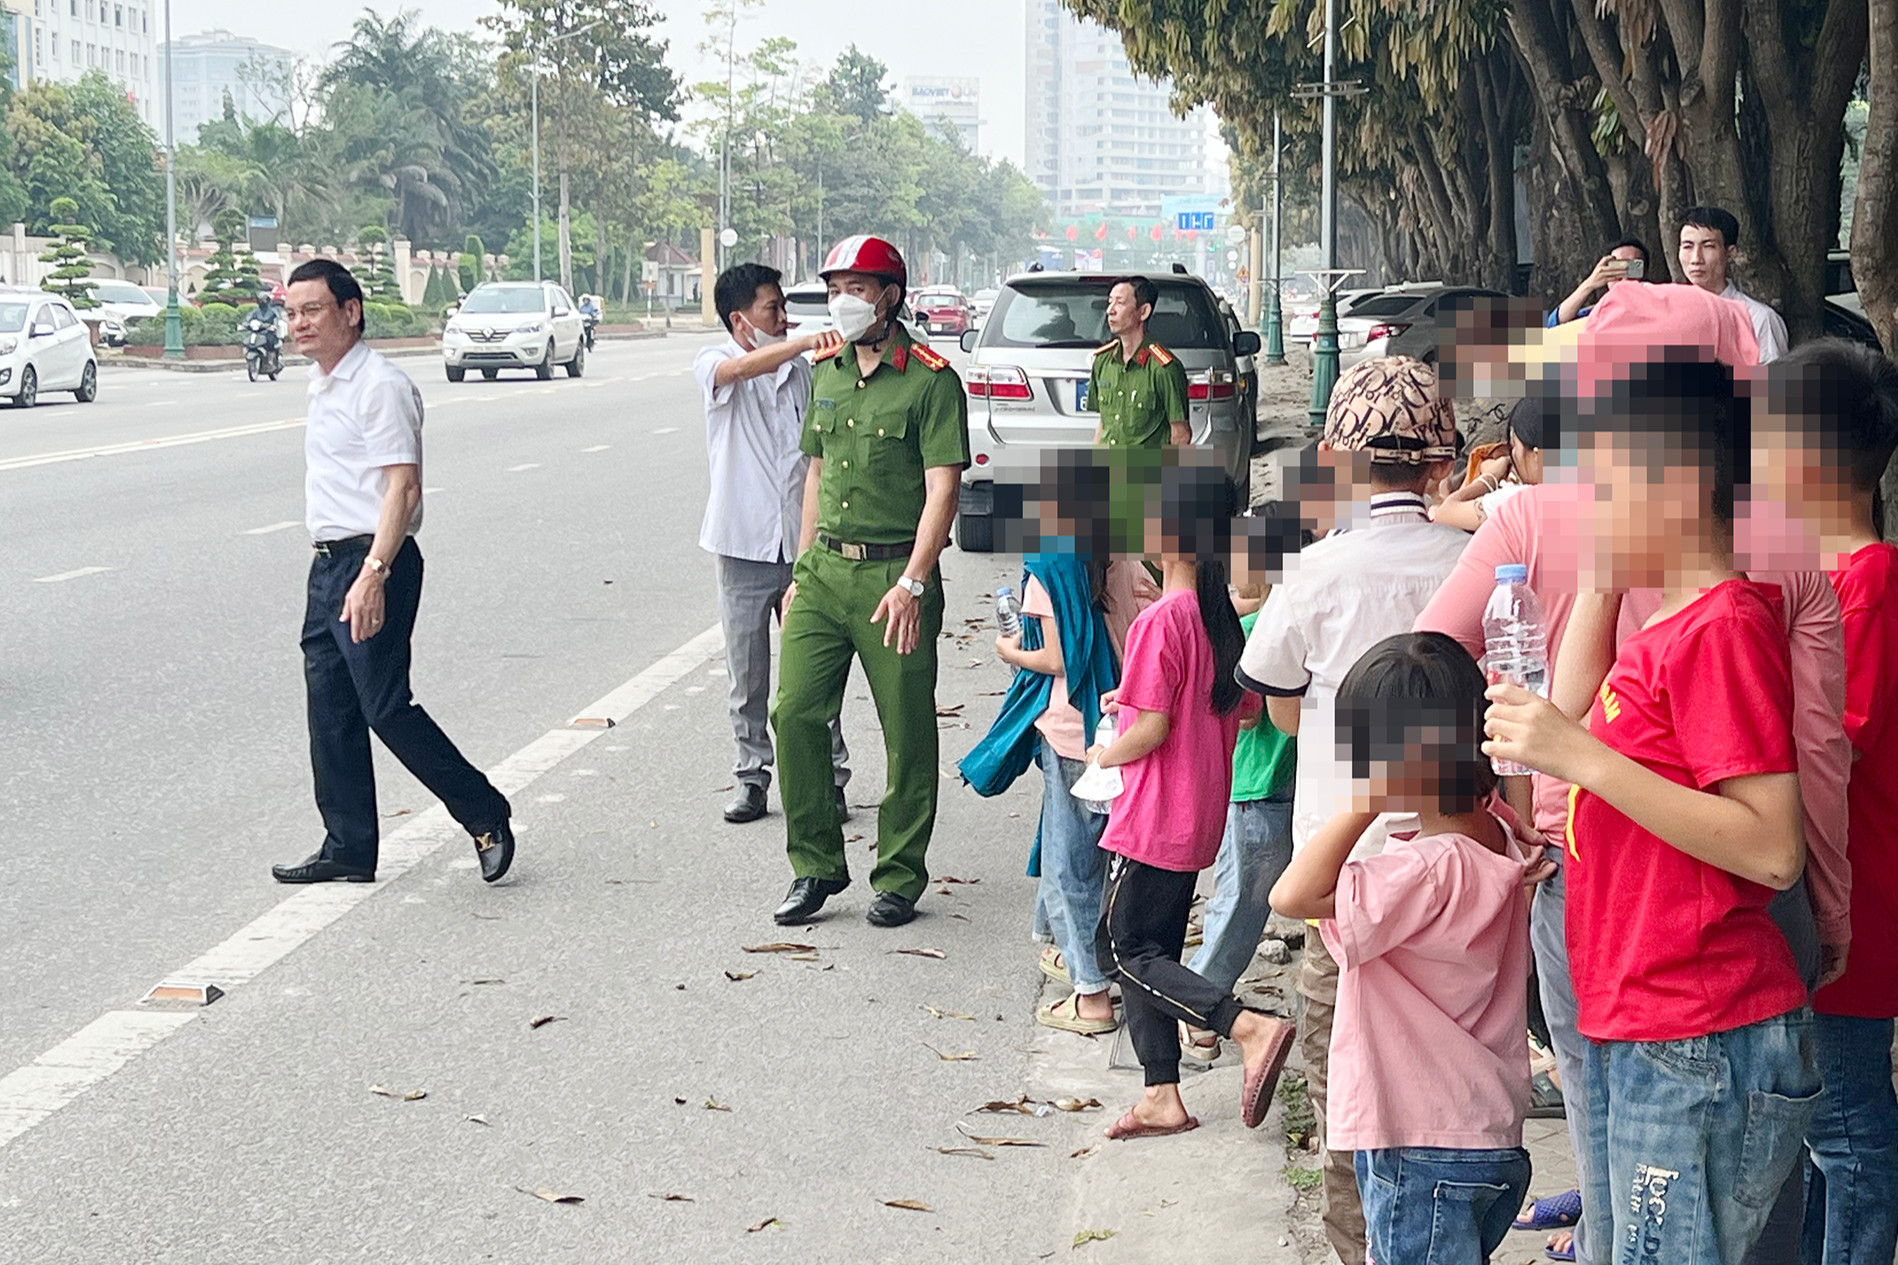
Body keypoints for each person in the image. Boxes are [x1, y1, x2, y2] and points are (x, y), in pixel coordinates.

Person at [1484, 353, 1820, 1265]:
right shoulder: (1666, 623)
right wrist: (1600, 577)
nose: (1583, 504)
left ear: (1674, 482)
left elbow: (1771, 846)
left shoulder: (1721, 630)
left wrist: (1578, 755)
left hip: (1696, 1029)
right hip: (1645, 1015)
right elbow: (1571, 698)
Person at [1236, 355, 1470, 1265]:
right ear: (1438, 463)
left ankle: (1363, 1246)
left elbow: (1282, 706)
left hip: (1344, 872)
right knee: (1451, 1079)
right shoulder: (1470, 560)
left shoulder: (1315, 572)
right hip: (1461, 864)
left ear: (1338, 456)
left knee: (1349, 1095)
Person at [1272, 632, 1550, 1265]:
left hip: (1420, 1138)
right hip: (1481, 1128)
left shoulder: (1423, 872)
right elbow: (1499, 811)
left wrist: (1365, 801)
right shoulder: (1497, 836)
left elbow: (1291, 896)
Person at [270, 258, 515, 886]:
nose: (298, 323)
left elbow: (402, 489)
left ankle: (484, 812)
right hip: (330, 564)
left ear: (351, 311)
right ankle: (348, 845)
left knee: (384, 706)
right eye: (291, 312)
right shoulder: (325, 383)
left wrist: (374, 571)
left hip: (371, 561)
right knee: (330, 707)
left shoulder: (379, 385)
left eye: (313, 310)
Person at [1087, 459, 1294, 1140]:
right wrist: (1135, 701)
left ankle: (1245, 1025)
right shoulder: (1219, 621)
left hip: (1152, 815)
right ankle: (1161, 1091)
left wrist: (1104, 748)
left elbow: (1153, 728)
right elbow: (1236, 707)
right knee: (1155, 948)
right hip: (1200, 814)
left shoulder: (1160, 620)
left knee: (1121, 951)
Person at [768, 235, 969, 929]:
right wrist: (801, 571)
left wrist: (914, 582)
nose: (842, 302)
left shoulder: (931, 379)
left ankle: (899, 874)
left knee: (906, 731)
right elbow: (815, 478)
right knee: (793, 713)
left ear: (890, 296)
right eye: (835, 289)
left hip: (895, 573)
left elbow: (944, 490)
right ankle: (816, 863)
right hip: (826, 571)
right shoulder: (824, 372)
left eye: (857, 288)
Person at [1754, 339, 1898, 1265]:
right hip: (1829, 898)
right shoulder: (1828, 577)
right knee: (1821, 1138)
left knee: (1849, 1138)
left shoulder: (1867, 580)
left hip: (1855, 909)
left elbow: (1832, 742)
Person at [694, 262, 851, 826]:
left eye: (785, 309)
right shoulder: (713, 362)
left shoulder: (803, 375)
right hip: (742, 544)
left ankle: (829, 778)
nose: (783, 319)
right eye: (772, 310)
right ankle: (751, 778)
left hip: (803, 545)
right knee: (749, 674)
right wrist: (803, 343)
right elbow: (738, 370)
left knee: (813, 671)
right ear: (740, 319)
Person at [1180, 595, 1295, 1062]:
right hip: (1258, 782)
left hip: (1275, 780)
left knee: (1239, 900)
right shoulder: (1252, 628)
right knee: (1240, 902)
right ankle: (1197, 1005)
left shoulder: (1261, 623)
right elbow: (1243, 711)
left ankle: (1198, 998)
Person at [1090, 276, 1191, 450]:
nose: (1110, 310)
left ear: (1143, 312)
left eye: (1120, 303)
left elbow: (1180, 434)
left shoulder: (1163, 368)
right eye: (1110, 302)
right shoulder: (1103, 362)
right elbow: (1103, 424)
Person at [1678, 205, 1789, 362]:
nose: (1696, 258)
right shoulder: (1670, 313)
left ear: (1730, 253)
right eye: (1688, 246)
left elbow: (1772, 383)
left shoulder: (1758, 319)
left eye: (1708, 246)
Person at [1430, 395, 1545, 533]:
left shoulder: (1518, 499)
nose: (1512, 456)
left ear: (1537, 456)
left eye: (1514, 447)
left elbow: (1444, 514)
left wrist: (1490, 477)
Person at [1545, 238, 1648, 327]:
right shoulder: (1597, 313)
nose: (1624, 274)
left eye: (1633, 267)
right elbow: (1554, 324)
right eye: (1617, 266)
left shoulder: (1657, 305)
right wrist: (1589, 284)